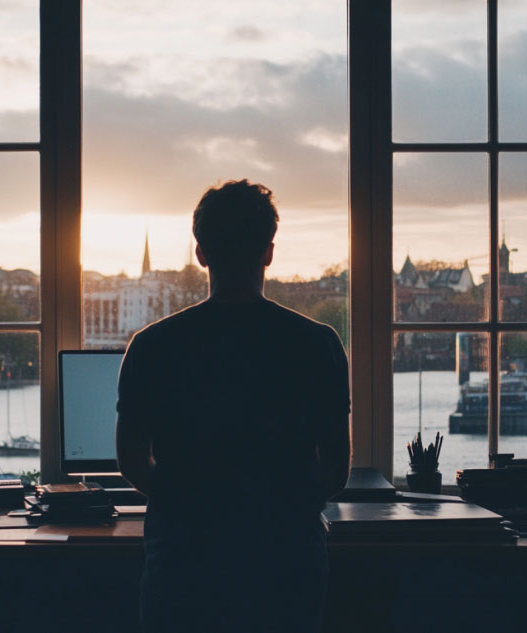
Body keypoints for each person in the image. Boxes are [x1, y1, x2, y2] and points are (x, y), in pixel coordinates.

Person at [116, 179, 351, 633]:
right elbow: (336, 471)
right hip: (287, 562)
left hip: (184, 561)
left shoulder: (151, 346)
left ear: (201, 252)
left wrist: (192, 503)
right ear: (268, 251)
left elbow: (131, 462)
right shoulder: (318, 345)